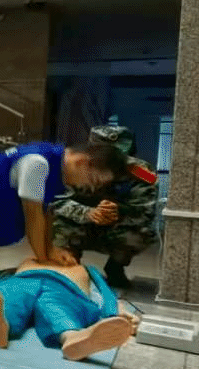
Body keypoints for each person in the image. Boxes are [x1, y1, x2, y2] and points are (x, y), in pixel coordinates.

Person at [0, 138, 127, 300]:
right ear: (82, 162)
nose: (90, 187)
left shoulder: (55, 167)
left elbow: (47, 212)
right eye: (93, 180)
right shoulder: (37, 163)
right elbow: (34, 217)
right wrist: (44, 260)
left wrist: (51, 250)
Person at [50, 124, 160, 290]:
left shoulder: (141, 172)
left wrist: (117, 212)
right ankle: (69, 264)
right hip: (79, 223)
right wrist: (88, 213)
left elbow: (146, 210)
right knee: (57, 221)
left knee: (144, 232)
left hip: (117, 226)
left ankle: (116, 267)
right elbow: (54, 201)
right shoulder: (73, 165)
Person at [0, 257, 141, 361]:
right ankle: (0, 327)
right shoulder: (30, 260)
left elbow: (104, 291)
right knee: (10, 299)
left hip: (63, 288)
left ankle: (73, 338)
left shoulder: (86, 269)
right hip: (23, 280)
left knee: (55, 309)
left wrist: (115, 311)